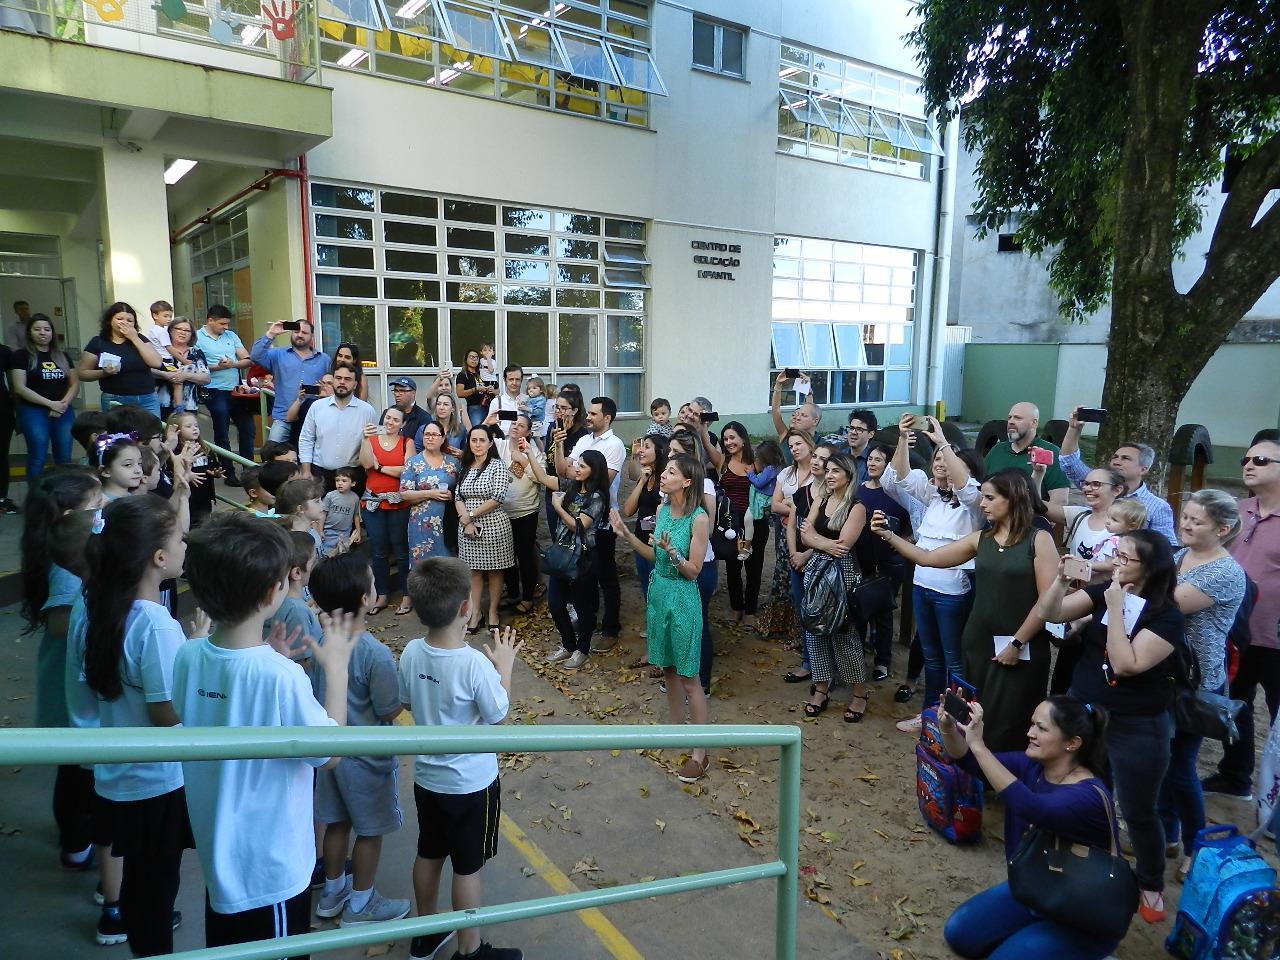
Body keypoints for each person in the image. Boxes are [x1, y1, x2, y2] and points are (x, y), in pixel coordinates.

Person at [173, 512, 360, 952]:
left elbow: (214, 702)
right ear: (275, 591)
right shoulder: (280, 676)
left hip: (221, 854)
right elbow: (329, 753)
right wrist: (336, 672)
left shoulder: (188, 654)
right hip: (271, 867)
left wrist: (265, 655)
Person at [1037, 529, 1187, 922]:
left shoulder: (1168, 616)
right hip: (1086, 714)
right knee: (1078, 793)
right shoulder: (1106, 590)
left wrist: (1117, 608)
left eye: (1125, 558)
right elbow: (1051, 614)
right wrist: (1060, 581)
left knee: (1138, 810)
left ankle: (1151, 882)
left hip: (1136, 725)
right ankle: (1079, 862)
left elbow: (1126, 663)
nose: (1115, 563)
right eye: (1115, 555)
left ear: (1151, 568)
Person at [68, 496, 194, 956]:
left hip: (115, 775)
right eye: (180, 539)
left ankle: (143, 936)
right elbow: (166, 711)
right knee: (157, 887)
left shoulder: (97, 608)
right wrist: (195, 670)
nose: (185, 545)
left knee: (142, 884)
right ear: (159, 558)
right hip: (155, 780)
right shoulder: (156, 624)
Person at [875, 469, 1057, 748]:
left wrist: (1017, 642)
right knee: (975, 710)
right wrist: (887, 534)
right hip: (979, 641)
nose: (981, 504)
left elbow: (1047, 602)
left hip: (1021, 643)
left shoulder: (1039, 539)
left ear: (1013, 499)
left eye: (989, 497)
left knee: (1014, 712)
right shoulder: (980, 539)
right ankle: (975, 774)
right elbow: (927, 558)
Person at [398, 557, 524, 960]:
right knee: (467, 867)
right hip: (470, 785)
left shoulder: (412, 652)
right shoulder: (473, 664)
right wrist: (504, 666)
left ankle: (426, 930)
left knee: (429, 852)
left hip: (428, 779)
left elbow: (405, 700)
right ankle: (470, 951)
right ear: (466, 608)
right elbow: (498, 714)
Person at [941, 696, 1122, 960]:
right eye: (1031, 725)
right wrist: (949, 728)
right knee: (959, 934)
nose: (1030, 733)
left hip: (1079, 915)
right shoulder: (1034, 765)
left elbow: (1032, 807)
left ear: (1072, 743)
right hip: (1035, 888)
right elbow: (969, 761)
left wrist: (979, 745)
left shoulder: (1087, 796)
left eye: (1041, 728)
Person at [307, 553, 410, 927]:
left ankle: (333, 893)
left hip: (330, 754)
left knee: (337, 823)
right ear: (366, 599)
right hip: (368, 759)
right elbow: (388, 710)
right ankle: (361, 902)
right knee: (370, 830)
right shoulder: (375, 654)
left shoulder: (323, 641)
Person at [1158, 490, 1246, 880]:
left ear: (1223, 529)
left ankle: (1198, 847)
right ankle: (1167, 835)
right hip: (1166, 672)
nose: (1186, 524)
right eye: (1186, 516)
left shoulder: (1225, 571)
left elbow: (1167, 603)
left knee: (1180, 768)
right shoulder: (1181, 555)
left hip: (1197, 683)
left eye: (1197, 520)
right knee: (1162, 759)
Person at [610, 455, 714, 782]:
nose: (663, 475)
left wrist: (674, 554)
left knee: (689, 677)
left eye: (671, 471)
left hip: (683, 599)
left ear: (686, 481)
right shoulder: (661, 510)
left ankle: (701, 752)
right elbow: (654, 555)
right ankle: (674, 732)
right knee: (667, 668)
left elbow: (693, 571)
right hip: (659, 594)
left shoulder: (699, 519)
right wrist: (627, 536)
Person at [881, 415, 985, 731]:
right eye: (937, 459)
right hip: (922, 585)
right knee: (931, 655)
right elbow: (901, 476)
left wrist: (942, 442)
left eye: (947, 460)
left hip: (953, 591)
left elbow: (966, 488)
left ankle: (955, 719)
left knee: (954, 659)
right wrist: (901, 439)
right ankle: (930, 715)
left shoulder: (976, 502)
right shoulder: (933, 495)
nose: (940, 463)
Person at [20, 472, 101, 873]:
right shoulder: (70, 566)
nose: (103, 516)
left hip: (71, 679)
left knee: (75, 769)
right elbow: (59, 624)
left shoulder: (62, 551)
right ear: (72, 516)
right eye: (96, 509)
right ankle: (76, 842)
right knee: (76, 771)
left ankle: (77, 837)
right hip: (69, 682)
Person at [1204, 439, 1280, 802]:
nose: (1248, 465)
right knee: (1238, 705)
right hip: (1236, 632)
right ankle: (1235, 777)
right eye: (1247, 459)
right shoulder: (1236, 510)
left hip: (1276, 637)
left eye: (1261, 460)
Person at [799, 452, 871, 722]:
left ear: (849, 475)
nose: (828, 475)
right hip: (816, 570)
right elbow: (805, 535)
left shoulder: (857, 507)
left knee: (845, 634)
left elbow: (844, 546)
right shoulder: (821, 498)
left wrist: (820, 541)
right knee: (814, 630)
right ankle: (821, 688)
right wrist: (825, 543)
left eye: (835, 471)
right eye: (827, 470)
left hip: (843, 575)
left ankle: (859, 693)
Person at [526, 447, 610, 669]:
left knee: (583, 607)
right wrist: (529, 453)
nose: (576, 468)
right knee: (555, 604)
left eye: (582, 466)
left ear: (594, 470)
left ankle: (582, 649)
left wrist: (557, 508)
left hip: (583, 557)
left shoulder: (597, 497)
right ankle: (568, 645)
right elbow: (543, 478)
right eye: (577, 464)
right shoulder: (571, 486)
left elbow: (579, 525)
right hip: (562, 554)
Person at [556, 397, 627, 651]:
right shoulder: (584, 440)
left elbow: (599, 481)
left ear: (607, 417)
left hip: (604, 520)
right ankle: (590, 619)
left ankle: (610, 628)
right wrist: (559, 445)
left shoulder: (616, 445)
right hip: (579, 516)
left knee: (606, 575)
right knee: (585, 573)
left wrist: (576, 476)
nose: (588, 417)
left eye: (594, 414)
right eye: (589, 413)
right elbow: (565, 471)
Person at [1058, 407, 1178, 544]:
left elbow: (1168, 547)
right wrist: (1074, 429)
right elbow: (1068, 461)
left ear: (1143, 469)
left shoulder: (1157, 507)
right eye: (1115, 457)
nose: (1116, 461)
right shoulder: (1095, 481)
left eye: (1125, 458)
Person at [855, 443, 911, 682]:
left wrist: (898, 540)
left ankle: (882, 661)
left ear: (889, 465)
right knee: (859, 610)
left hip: (889, 563)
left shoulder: (898, 494)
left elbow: (911, 531)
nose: (872, 463)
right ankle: (857, 658)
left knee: (884, 612)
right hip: (861, 561)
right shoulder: (858, 491)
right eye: (870, 459)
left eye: (879, 460)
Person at [454, 425, 515, 632]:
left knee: (495, 571)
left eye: (482, 440)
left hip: (493, 525)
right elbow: (458, 497)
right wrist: (467, 522)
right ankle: (475, 612)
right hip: (467, 528)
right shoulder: (465, 466)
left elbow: (497, 497)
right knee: (473, 572)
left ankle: (493, 612)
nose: (477, 444)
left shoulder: (497, 466)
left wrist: (470, 516)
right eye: (473, 440)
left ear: (490, 443)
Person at [773, 430, 820, 683]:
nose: (794, 449)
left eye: (798, 443)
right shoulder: (798, 487)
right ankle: (808, 661)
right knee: (802, 606)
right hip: (796, 551)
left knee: (819, 609)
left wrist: (807, 553)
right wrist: (794, 553)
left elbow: (833, 534)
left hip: (821, 557)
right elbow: (790, 519)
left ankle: (823, 666)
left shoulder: (829, 491)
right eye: (790, 445)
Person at [9, 313, 78, 480]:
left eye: (47, 329)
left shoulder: (63, 356)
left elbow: (75, 384)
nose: (42, 333)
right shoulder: (21, 356)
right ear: (29, 332)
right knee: (37, 456)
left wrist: (62, 404)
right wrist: (50, 404)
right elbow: (19, 387)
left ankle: (63, 498)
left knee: (64, 457)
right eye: (37, 329)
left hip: (63, 411)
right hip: (33, 411)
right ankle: (36, 501)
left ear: (52, 332)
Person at [714, 420, 769, 629]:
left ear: (743, 439)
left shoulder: (757, 462)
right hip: (731, 523)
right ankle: (736, 607)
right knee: (733, 565)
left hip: (756, 522)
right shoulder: (722, 461)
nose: (728, 442)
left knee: (754, 566)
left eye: (732, 438)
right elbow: (704, 443)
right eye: (725, 438)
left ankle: (751, 611)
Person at [360, 407, 414, 614]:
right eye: (388, 418)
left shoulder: (406, 443)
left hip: (399, 503)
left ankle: (407, 595)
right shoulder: (371, 440)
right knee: (378, 551)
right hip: (373, 503)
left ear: (403, 424)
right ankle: (381, 595)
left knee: (401, 550)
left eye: (396, 419)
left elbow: (407, 471)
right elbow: (365, 463)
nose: (391, 422)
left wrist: (380, 467)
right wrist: (365, 439)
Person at [193, 305, 254, 483]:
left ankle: (249, 470)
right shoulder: (197, 338)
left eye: (227, 324)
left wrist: (232, 364)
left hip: (236, 390)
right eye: (222, 324)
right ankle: (228, 471)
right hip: (214, 389)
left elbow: (247, 359)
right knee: (222, 429)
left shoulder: (231, 336)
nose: (226, 327)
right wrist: (218, 367)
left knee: (248, 428)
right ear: (210, 320)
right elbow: (195, 366)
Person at [300, 363, 377, 491]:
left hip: (352, 476)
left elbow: (372, 445)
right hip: (320, 474)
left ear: (355, 384)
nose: (342, 382)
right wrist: (306, 471)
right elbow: (306, 439)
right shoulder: (317, 407)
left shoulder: (367, 411)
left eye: (347, 379)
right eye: (338, 378)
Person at [251, 319, 332, 442]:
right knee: (273, 454)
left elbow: (331, 387)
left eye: (304, 332)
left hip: (312, 418)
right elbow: (256, 356)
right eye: (296, 331)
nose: (299, 335)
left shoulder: (324, 359)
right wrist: (271, 333)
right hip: (283, 418)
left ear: (312, 336)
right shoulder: (278, 355)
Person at [78, 302, 164, 416]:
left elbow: (156, 362)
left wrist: (134, 338)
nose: (125, 323)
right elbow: (82, 373)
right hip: (115, 398)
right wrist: (103, 372)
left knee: (151, 432)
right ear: (110, 320)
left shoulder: (141, 339)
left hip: (147, 398)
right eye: (119, 319)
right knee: (118, 433)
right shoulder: (98, 342)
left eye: (130, 321)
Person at [496, 414, 543, 615]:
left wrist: (523, 461)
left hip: (526, 512)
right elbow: (478, 441)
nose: (516, 427)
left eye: (521, 425)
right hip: (501, 512)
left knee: (525, 555)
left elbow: (539, 478)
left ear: (528, 432)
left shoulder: (534, 452)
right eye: (514, 423)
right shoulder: (500, 446)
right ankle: (513, 592)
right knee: (506, 555)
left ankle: (527, 597)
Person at [982, 401, 1070, 505]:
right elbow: (980, 488)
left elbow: (1060, 500)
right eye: (1009, 417)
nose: (1011, 422)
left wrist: (1041, 520)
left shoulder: (1050, 452)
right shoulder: (997, 450)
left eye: (1017, 418)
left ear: (1034, 423)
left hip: (1031, 518)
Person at [621, 433, 671, 612]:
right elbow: (627, 511)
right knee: (647, 588)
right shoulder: (646, 477)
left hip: (659, 545)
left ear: (660, 451)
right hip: (640, 541)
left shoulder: (667, 480)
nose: (641, 450)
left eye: (647, 446)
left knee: (660, 591)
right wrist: (641, 481)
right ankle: (653, 626)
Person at [400, 421, 461, 563]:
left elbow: (462, 491)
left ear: (443, 438)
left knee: (448, 567)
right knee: (423, 569)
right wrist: (429, 493)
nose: (430, 438)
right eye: (427, 434)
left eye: (434, 434)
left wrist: (452, 495)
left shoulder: (453, 462)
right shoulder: (413, 462)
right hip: (421, 524)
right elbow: (404, 494)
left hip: (448, 522)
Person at [262, 531, 323, 662]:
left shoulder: (274, 601)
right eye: (313, 561)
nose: (316, 565)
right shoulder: (297, 611)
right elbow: (301, 663)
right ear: (297, 572)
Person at [543, 390, 587, 536]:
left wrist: (562, 440)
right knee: (554, 535)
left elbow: (571, 465)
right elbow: (548, 456)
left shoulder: (582, 434)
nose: (559, 412)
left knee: (569, 538)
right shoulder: (552, 428)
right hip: (551, 489)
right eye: (556, 407)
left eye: (564, 408)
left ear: (574, 410)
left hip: (570, 490)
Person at [162, 317, 210, 414]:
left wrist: (186, 376)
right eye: (179, 329)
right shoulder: (161, 350)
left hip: (188, 407)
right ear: (170, 330)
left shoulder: (196, 352)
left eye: (187, 330)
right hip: (162, 404)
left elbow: (206, 379)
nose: (182, 332)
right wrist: (166, 375)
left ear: (191, 335)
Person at [770, 370, 822, 449]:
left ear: (815, 421)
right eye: (794, 415)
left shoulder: (821, 445)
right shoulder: (786, 437)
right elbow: (775, 410)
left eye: (803, 415)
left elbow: (810, 410)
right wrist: (778, 386)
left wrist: (808, 392)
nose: (796, 417)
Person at [277, 477, 326, 558]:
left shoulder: (311, 529)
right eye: (317, 501)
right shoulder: (295, 542)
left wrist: (335, 553)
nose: (323, 505)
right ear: (300, 508)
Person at [322, 467, 362, 556]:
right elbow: (323, 513)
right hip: (328, 531)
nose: (340, 483)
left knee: (342, 555)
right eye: (337, 480)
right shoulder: (330, 496)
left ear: (353, 483)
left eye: (344, 481)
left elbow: (356, 515)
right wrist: (320, 530)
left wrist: (358, 531)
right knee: (326, 556)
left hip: (345, 533)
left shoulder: (355, 498)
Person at [93, 432, 145, 501]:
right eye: (128, 465)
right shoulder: (100, 504)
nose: (138, 470)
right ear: (105, 471)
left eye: (139, 463)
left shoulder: (133, 498)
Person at [836, 408, 878, 485]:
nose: (853, 432)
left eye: (859, 429)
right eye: (851, 428)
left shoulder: (873, 461)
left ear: (871, 434)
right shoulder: (839, 455)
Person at [455, 349, 493, 428]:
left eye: (476, 357)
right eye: (471, 357)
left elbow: (497, 390)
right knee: (477, 429)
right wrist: (476, 389)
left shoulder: (482, 373)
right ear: (466, 359)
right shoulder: (462, 375)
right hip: (474, 407)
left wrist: (491, 389)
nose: (474, 359)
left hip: (489, 405)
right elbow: (460, 393)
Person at [388, 376, 432, 444]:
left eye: (402, 391)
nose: (397, 394)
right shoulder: (388, 414)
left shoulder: (424, 417)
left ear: (413, 393)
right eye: (395, 391)